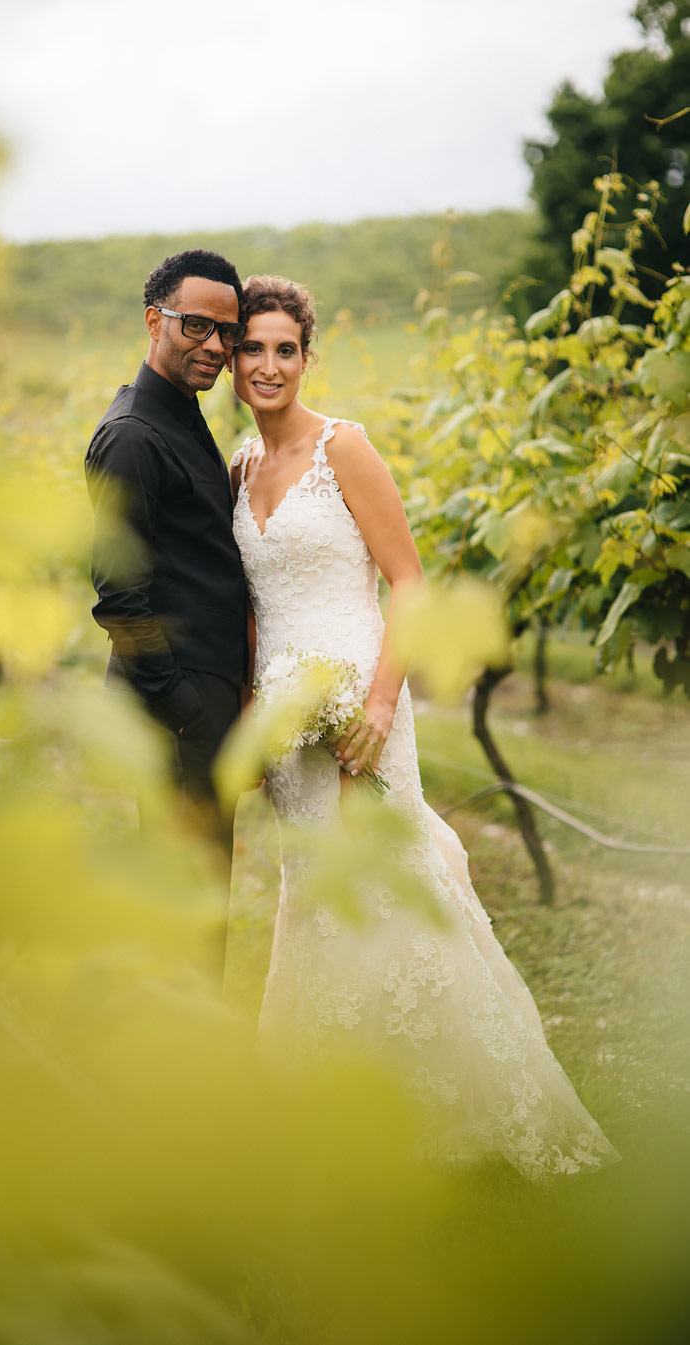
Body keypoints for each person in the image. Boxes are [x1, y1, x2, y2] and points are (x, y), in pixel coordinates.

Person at [227, 274, 619, 1179]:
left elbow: (407, 580)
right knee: (317, 885)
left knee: (392, 876)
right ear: (234, 360)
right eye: (253, 348)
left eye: (286, 347)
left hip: (364, 701)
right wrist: (254, 708)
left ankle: (446, 1099)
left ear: (306, 354)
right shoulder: (240, 469)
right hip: (288, 719)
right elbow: (253, 602)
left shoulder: (345, 447)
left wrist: (371, 704)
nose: (269, 365)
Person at [85, 251, 249, 952]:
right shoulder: (131, 437)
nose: (215, 346)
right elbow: (120, 597)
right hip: (175, 708)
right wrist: (183, 711)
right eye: (196, 326)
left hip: (202, 697)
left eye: (227, 333)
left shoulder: (180, 414)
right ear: (155, 321)